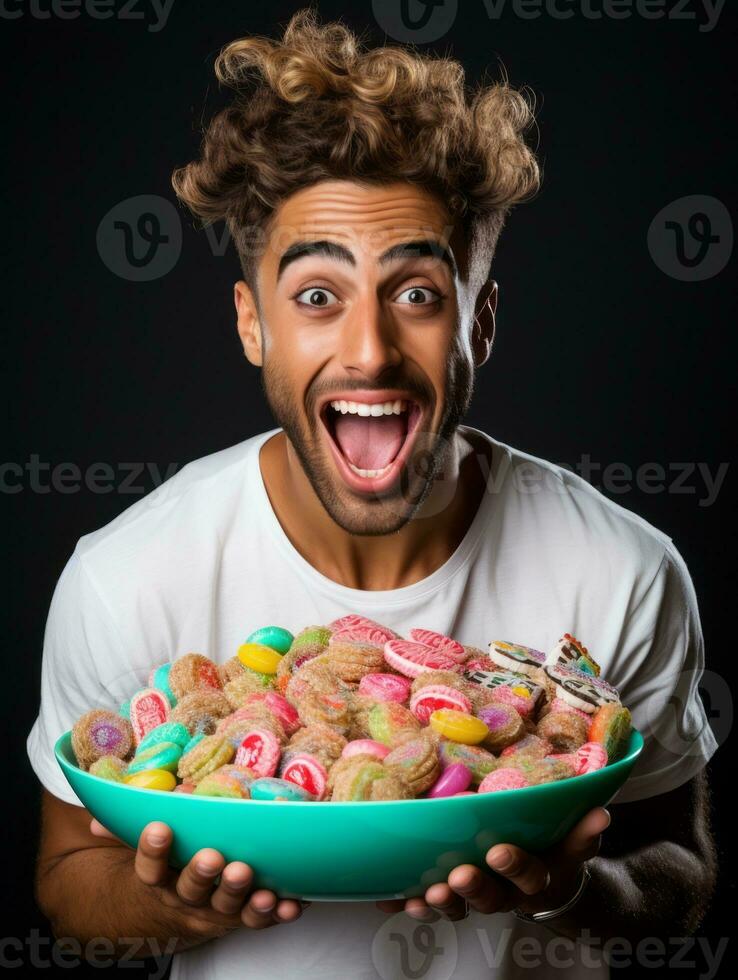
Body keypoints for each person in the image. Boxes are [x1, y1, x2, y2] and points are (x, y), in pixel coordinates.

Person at [27, 9, 718, 979]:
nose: (369, 350)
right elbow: (64, 877)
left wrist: (570, 885)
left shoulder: (625, 569)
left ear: (481, 320)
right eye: (316, 294)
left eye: (418, 294)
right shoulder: (127, 575)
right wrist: (166, 905)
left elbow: (682, 877)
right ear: (251, 321)